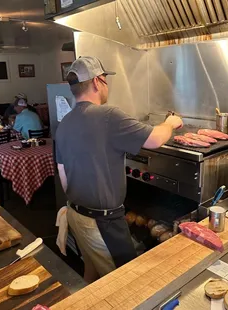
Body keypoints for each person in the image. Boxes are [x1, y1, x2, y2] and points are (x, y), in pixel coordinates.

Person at [55, 56, 183, 283]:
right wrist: (171, 123)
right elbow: (154, 139)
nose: (107, 85)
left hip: (75, 214)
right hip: (102, 222)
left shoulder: (64, 123)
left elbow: (64, 176)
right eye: (105, 79)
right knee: (126, 285)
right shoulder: (108, 115)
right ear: (96, 82)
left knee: (92, 272)